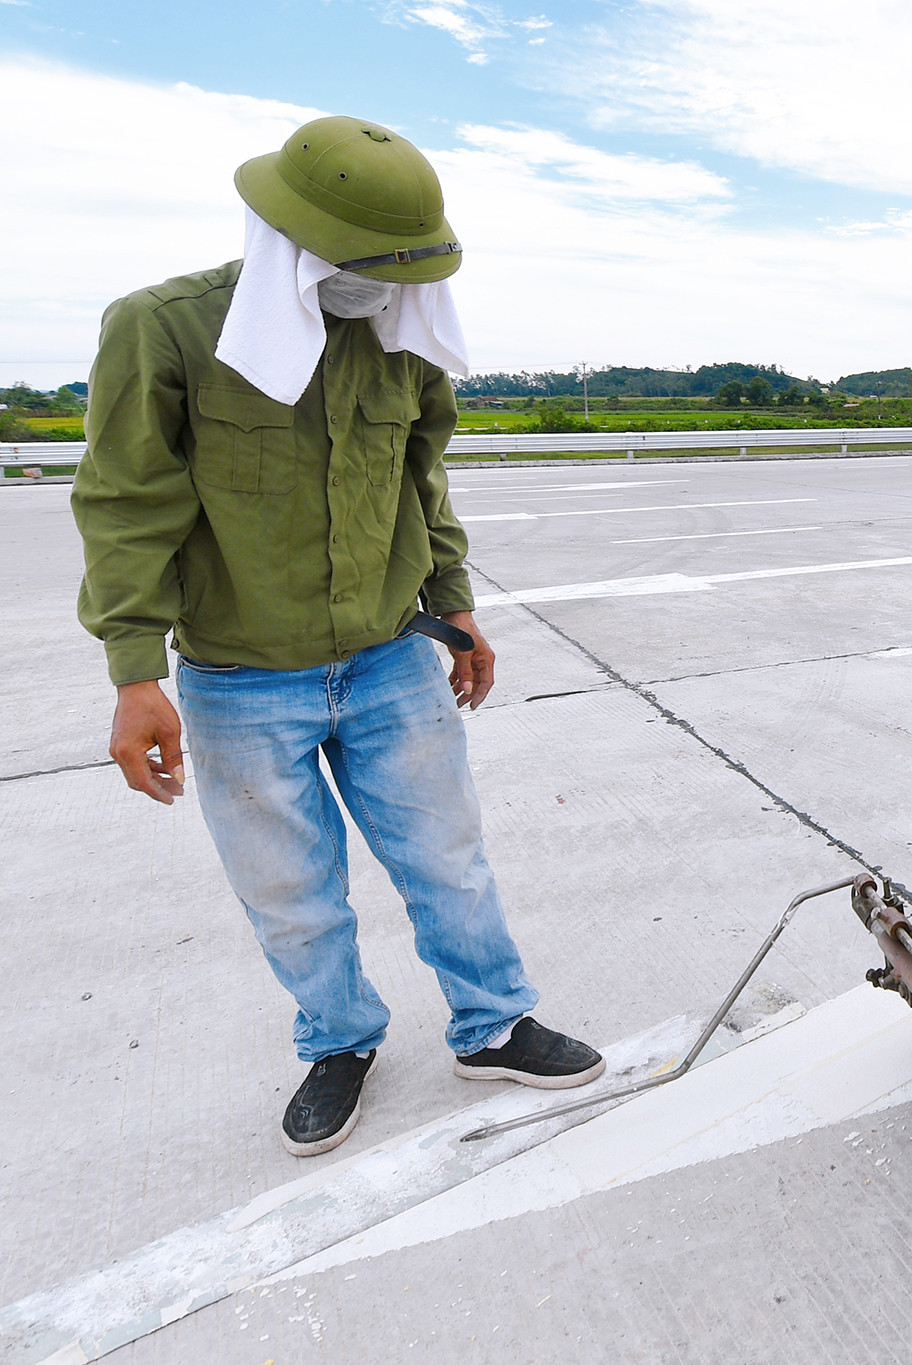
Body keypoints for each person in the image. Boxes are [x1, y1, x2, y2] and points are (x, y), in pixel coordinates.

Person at [71, 116, 605, 1158]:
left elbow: (420, 478)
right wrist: (134, 674)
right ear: (294, 238)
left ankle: (493, 1024)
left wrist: (455, 605)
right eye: (368, 265)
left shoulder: (401, 332)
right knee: (291, 893)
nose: (385, 288)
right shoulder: (164, 329)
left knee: (448, 860)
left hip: (389, 657)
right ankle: (339, 1040)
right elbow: (125, 505)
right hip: (239, 679)